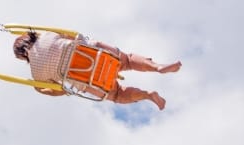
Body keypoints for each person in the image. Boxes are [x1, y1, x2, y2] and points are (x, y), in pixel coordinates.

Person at [13, 31, 181, 110]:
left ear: (22, 56)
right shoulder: (47, 35)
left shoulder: (36, 74)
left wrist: (50, 90)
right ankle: (157, 67)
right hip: (98, 55)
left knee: (118, 95)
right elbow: (70, 35)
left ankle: (148, 95)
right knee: (127, 60)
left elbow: (54, 91)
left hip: (88, 80)